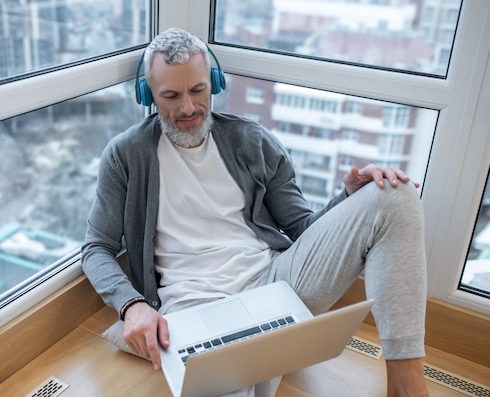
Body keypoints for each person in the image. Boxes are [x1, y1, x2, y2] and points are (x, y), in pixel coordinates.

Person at [82, 27, 429, 397]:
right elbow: (97, 248)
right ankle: (266, 356)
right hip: (194, 306)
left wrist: (348, 195)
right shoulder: (125, 155)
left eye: (197, 90)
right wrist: (131, 305)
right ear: (147, 95)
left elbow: (301, 227)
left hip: (276, 282)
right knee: (236, 380)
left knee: (394, 193)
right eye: (171, 95)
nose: (187, 108)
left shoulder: (252, 140)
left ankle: (406, 387)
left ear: (213, 83)